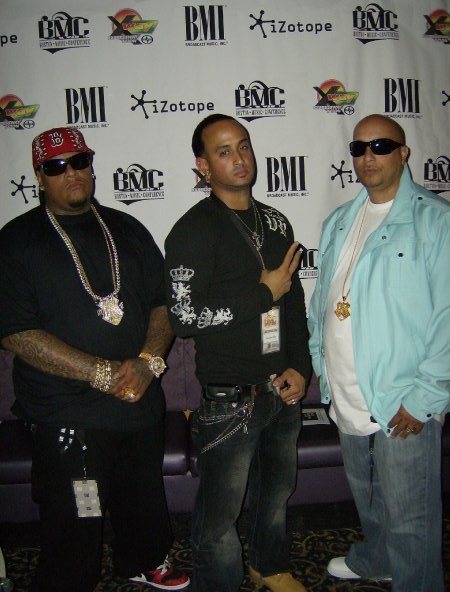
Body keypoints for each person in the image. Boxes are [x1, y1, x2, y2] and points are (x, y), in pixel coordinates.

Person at [0, 127, 189, 592]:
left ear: (91, 164)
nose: (71, 173)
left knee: (142, 494)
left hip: (138, 397)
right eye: (55, 166)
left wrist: (147, 361)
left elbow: (162, 303)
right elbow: (16, 333)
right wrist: (99, 373)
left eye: (79, 161)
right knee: (76, 514)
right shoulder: (17, 240)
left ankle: (143, 558)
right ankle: (69, 580)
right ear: (39, 176)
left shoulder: (128, 228)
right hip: (67, 410)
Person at [164, 113, 311, 592]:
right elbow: (184, 318)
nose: (239, 158)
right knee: (219, 519)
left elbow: (293, 302)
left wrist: (301, 366)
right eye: (223, 151)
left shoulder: (275, 221)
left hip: (281, 390)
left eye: (243, 145)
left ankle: (270, 566)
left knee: (276, 495)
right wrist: (262, 294)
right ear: (203, 166)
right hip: (230, 400)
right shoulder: (193, 230)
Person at [308, 114, 450, 591]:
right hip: (347, 393)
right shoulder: (339, 221)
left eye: (381, 145)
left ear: (404, 153)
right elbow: (321, 303)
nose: (368, 156)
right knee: (369, 500)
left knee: (411, 520)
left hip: (403, 399)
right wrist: (323, 367)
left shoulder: (436, 220)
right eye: (359, 148)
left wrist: (424, 398)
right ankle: (376, 559)